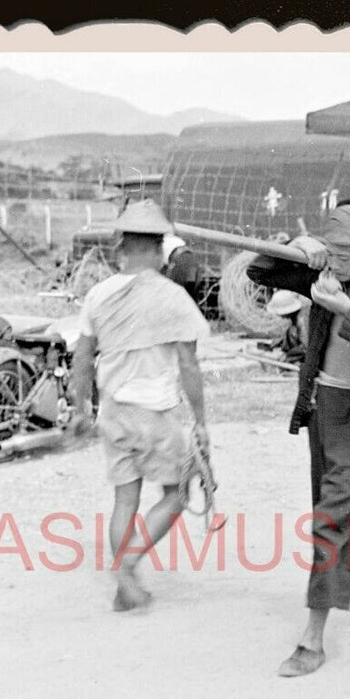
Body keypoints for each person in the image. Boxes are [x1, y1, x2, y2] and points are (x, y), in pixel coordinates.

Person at [244, 204, 350, 678]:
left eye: (345, 252)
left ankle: (312, 640)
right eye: (332, 250)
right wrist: (304, 251)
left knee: (331, 518)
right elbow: (259, 269)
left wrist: (347, 312)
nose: (336, 260)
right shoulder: (323, 272)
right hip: (325, 410)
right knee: (343, 511)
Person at [68, 200, 211, 612]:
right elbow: (188, 364)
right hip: (157, 412)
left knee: (124, 501)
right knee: (178, 495)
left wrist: (81, 409)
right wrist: (200, 422)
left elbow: (82, 357)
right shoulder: (173, 297)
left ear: (122, 250)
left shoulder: (98, 294)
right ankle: (127, 566)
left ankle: (123, 587)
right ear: (160, 250)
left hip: (113, 411)